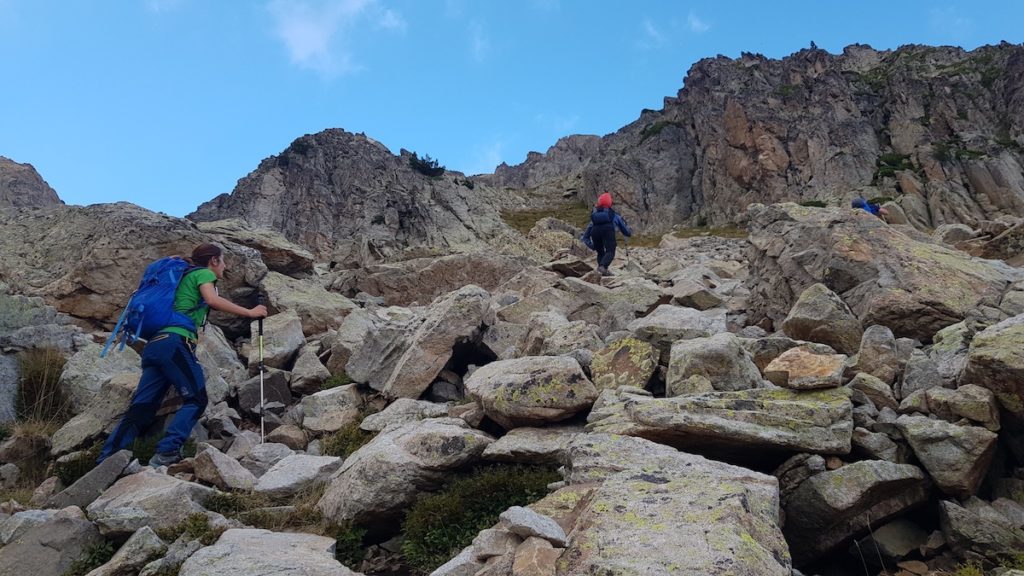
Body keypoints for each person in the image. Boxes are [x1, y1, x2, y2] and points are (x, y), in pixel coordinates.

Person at [97, 243, 267, 467]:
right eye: (223, 261)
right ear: (214, 260)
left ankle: (106, 460)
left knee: (143, 407)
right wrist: (250, 312)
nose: (224, 267)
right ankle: (167, 451)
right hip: (175, 342)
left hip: (154, 346)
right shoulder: (203, 273)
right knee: (196, 399)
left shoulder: (179, 276)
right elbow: (212, 300)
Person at [581, 192, 632, 276]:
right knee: (610, 251)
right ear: (609, 203)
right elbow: (624, 229)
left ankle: (602, 271)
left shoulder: (594, 216)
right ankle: (603, 267)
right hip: (608, 230)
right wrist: (629, 232)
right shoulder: (613, 215)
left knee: (600, 252)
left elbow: (585, 236)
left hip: (595, 231)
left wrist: (592, 246)